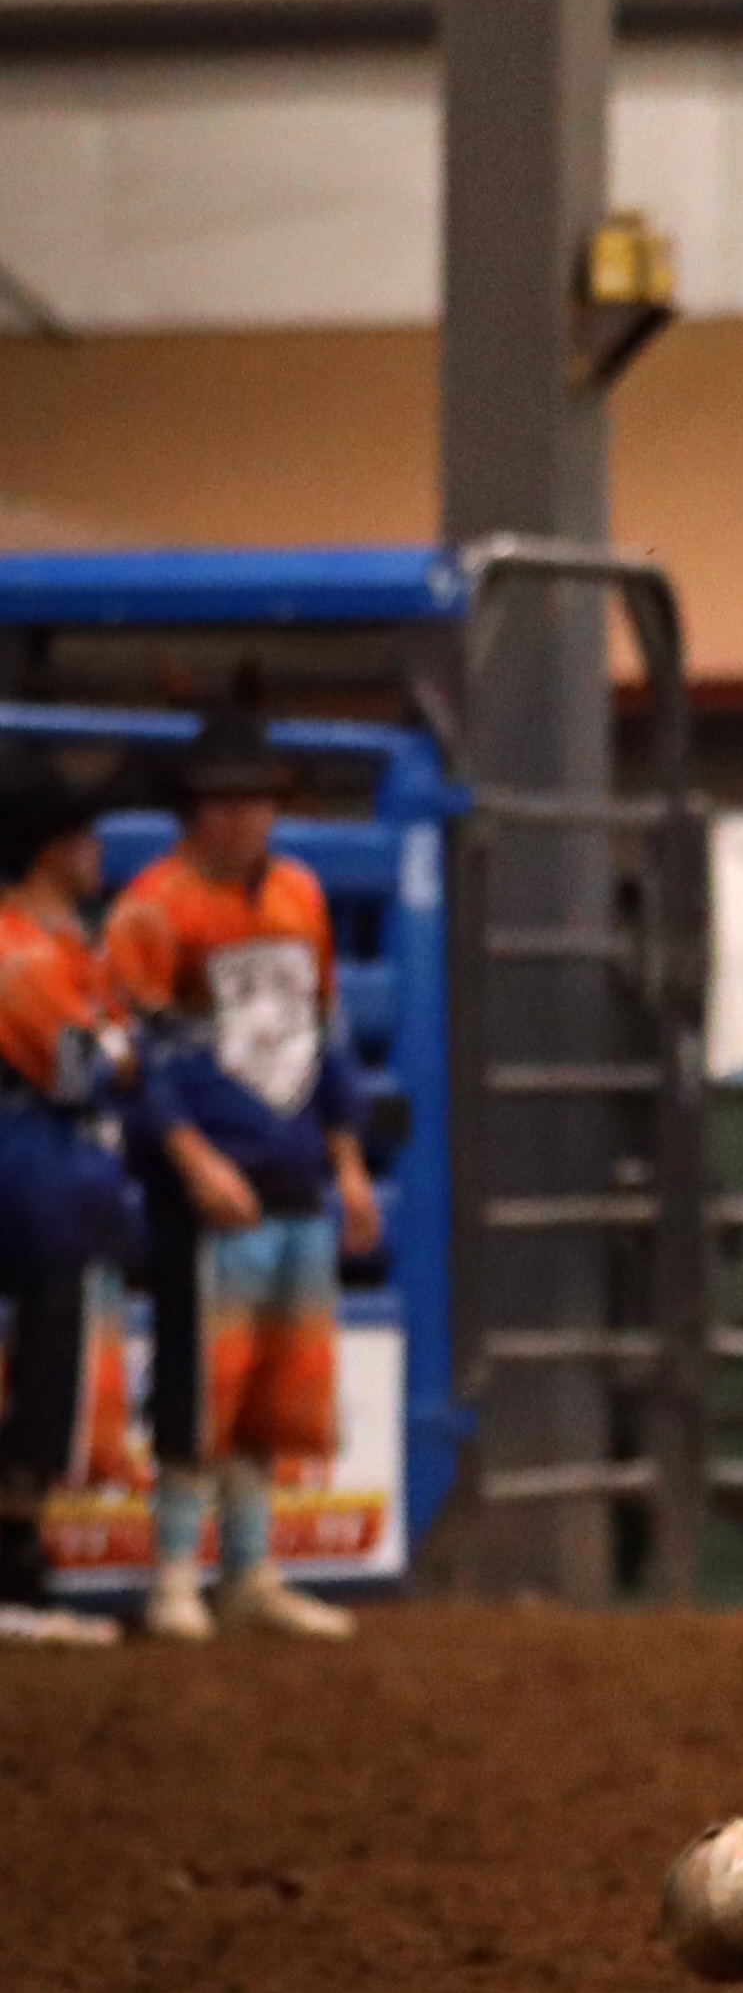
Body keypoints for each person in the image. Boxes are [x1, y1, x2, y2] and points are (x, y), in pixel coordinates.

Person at [106, 696, 381, 1642]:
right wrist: (187, 1156)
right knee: (198, 1380)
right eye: (222, 800)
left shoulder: (299, 895)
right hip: (212, 1183)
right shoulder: (153, 908)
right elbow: (133, 1052)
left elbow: (326, 1033)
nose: (240, 815)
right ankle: (175, 1572)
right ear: (192, 809)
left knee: (272, 1381)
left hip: (294, 1168)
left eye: (255, 799)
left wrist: (347, 1161)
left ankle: (250, 1568)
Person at [0, 759, 132, 1648]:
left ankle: (21, 1559)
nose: (97, 851)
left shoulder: (62, 947)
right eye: (83, 836)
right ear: (53, 849)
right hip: (29, 1172)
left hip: (49, 1174)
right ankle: (15, 1569)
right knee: (43, 1356)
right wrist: (118, 1051)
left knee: (49, 1356)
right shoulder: (24, 954)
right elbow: (84, 1069)